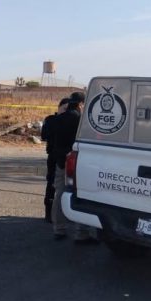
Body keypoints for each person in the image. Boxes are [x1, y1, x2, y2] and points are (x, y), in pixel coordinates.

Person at [50, 91, 94, 242]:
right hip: (77, 162)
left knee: (60, 194)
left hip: (60, 161)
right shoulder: (81, 121)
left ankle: (59, 229)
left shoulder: (58, 119)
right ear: (81, 104)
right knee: (81, 195)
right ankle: (82, 232)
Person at [40, 97, 70, 223]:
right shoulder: (51, 120)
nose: (66, 111)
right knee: (51, 183)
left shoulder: (71, 120)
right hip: (53, 155)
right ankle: (49, 212)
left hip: (67, 156)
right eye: (65, 108)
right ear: (59, 107)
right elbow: (44, 136)